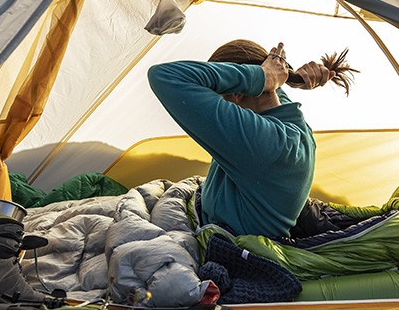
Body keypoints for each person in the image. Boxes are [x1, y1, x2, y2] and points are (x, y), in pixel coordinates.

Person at [148, 39, 348, 237]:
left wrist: (263, 75)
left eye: (219, 96)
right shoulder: (292, 124)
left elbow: (163, 76)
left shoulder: (263, 141)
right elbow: (266, 85)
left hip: (226, 240)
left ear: (237, 94)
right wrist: (289, 78)